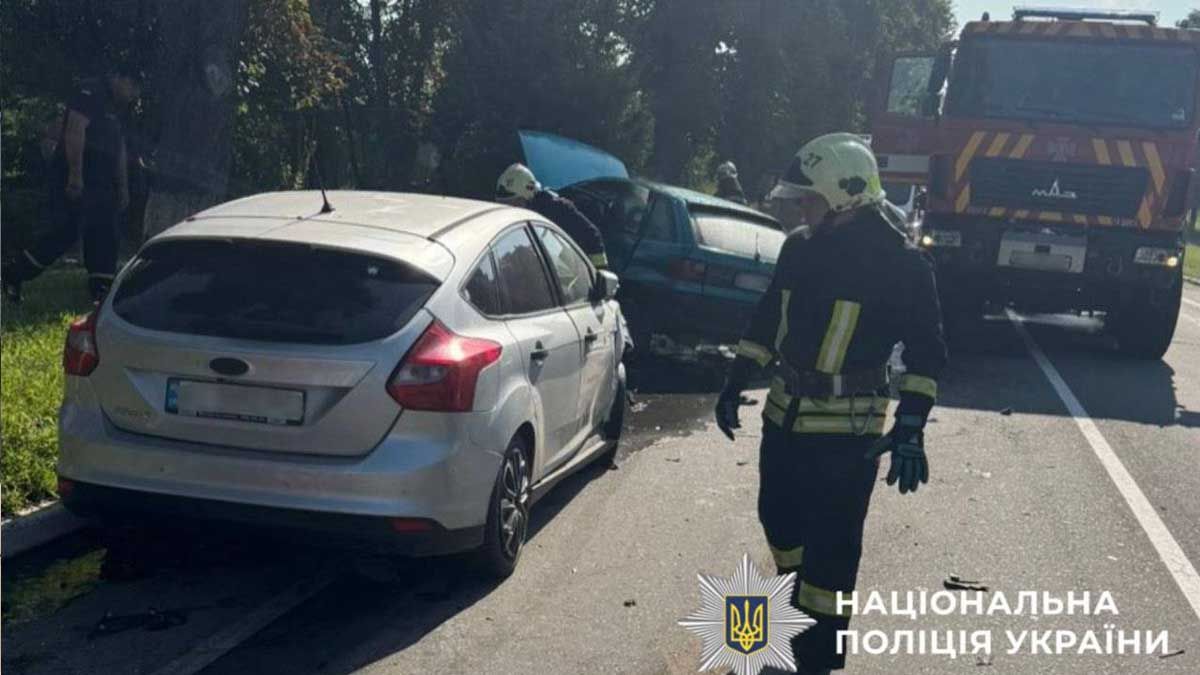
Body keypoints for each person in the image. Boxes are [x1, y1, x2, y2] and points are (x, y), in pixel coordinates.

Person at [714, 133, 947, 674]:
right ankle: (794, 615)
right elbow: (768, 319)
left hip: (849, 436)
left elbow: (928, 352)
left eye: (810, 198)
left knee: (833, 553)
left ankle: (817, 658)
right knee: (778, 523)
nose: (802, 208)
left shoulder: (903, 265)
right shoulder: (799, 248)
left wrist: (910, 426)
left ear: (845, 197)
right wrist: (735, 380)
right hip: (783, 420)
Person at [2, 70, 141, 304]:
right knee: (64, 232)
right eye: (133, 87)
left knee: (105, 232)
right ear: (119, 78)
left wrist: (123, 185)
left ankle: (101, 291)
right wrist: (75, 176)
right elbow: (75, 130)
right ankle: (13, 273)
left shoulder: (119, 108)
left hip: (103, 182)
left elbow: (120, 147)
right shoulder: (90, 92)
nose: (135, 95)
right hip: (76, 176)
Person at [495, 163, 609, 269]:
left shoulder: (557, 211)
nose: (508, 209)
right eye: (502, 204)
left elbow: (592, 236)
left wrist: (600, 272)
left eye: (513, 203)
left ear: (528, 196)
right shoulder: (505, 223)